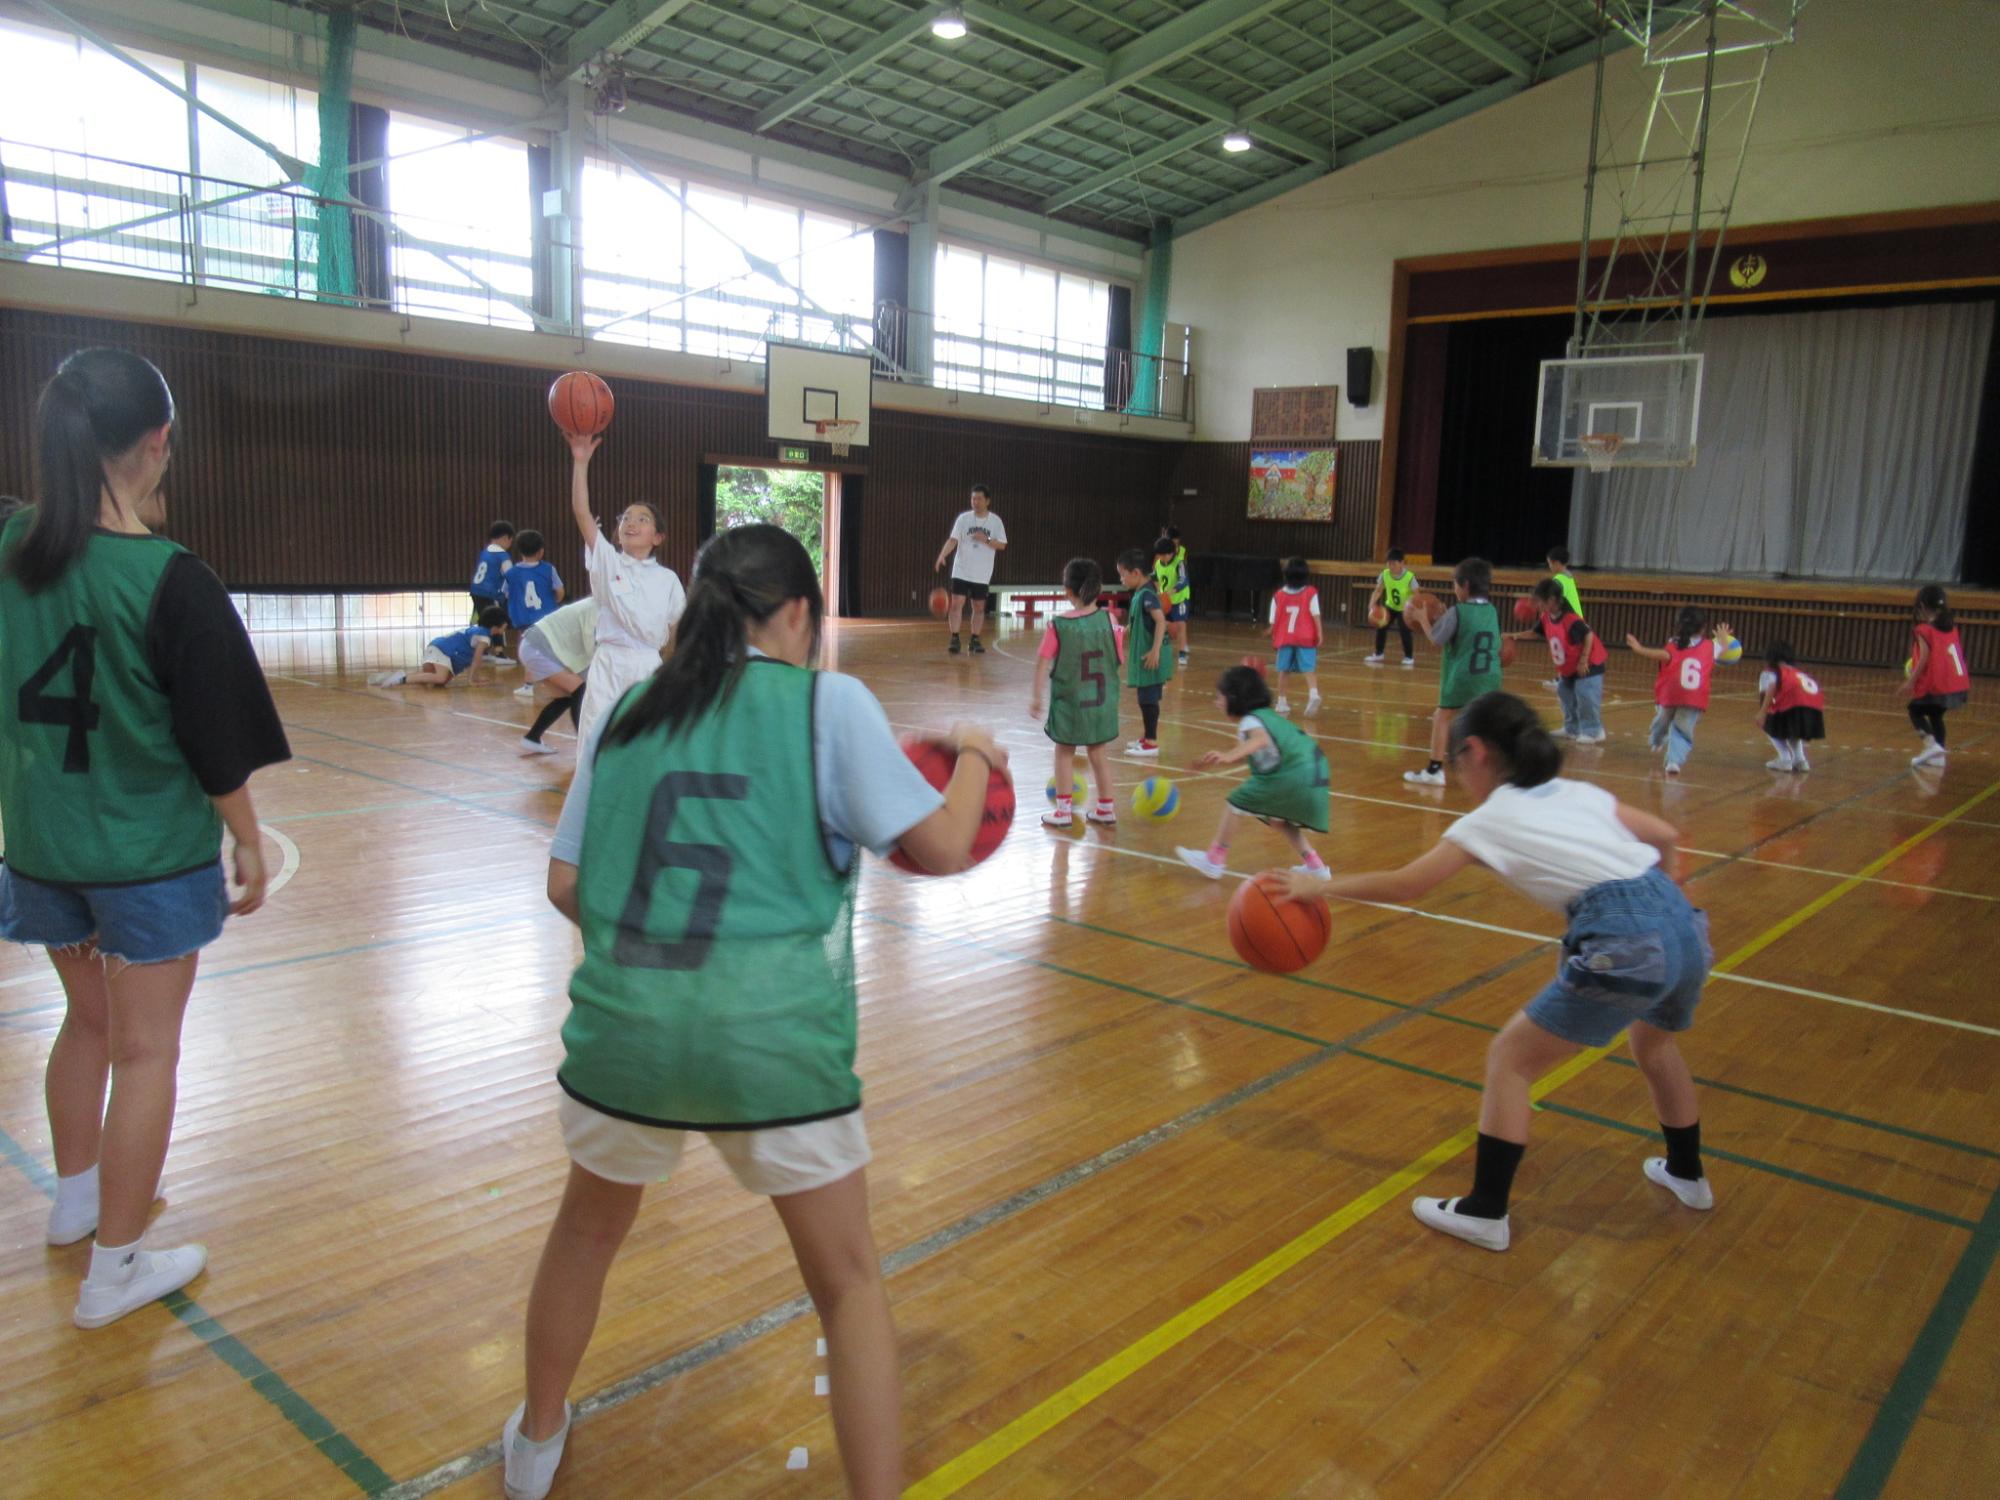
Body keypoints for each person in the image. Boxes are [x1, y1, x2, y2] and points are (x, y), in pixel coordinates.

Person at [501, 523, 1007, 1500]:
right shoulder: (829, 704)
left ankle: (534, 1441)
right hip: (772, 1041)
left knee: (585, 1235)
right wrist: (977, 752)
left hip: (626, 1032)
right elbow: (945, 846)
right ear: (798, 615)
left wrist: (655, 954)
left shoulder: (630, 708)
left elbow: (565, 885)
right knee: (847, 1284)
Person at [0, 348, 290, 1327]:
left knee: (86, 1023)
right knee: (146, 1053)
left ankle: (77, 1199)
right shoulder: (172, 580)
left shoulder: (10, 548)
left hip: (42, 850)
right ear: (159, 442)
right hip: (145, 862)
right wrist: (246, 838)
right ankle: (114, 1270)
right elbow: (217, 745)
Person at [1281, 691, 1713, 1252]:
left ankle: (1485, 1211)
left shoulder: (1488, 819)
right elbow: (1665, 836)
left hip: (1626, 937)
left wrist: (1319, 887)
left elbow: (1408, 884)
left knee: (1510, 1059)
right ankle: (1687, 1175)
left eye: (1456, 761)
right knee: (1655, 1046)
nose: (1459, 774)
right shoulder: (1577, 792)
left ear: (1477, 752)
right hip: (1685, 927)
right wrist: (1664, 905)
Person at [565, 431, 686, 747]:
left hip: (647, 665)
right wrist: (581, 462)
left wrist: (671, 670)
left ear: (657, 537)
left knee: (645, 744)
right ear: (617, 532)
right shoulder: (608, 561)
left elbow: (677, 628)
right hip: (608, 663)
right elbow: (581, 512)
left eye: (642, 519)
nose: (631, 523)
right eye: (626, 518)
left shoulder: (668, 579)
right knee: (595, 741)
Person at [1176, 664, 1330, 879]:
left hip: (1293, 773)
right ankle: (1316, 867)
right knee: (1279, 820)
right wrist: (1217, 761)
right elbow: (1257, 751)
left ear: (1234, 697)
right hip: (1315, 773)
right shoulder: (1268, 717)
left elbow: (1260, 740)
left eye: (1219, 697)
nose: (1216, 702)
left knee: (1236, 803)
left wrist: (1228, 755)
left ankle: (1214, 860)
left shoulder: (1251, 720)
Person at [1029, 556, 1119, 829]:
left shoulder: (1059, 625)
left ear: (1067, 591)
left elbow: (1042, 662)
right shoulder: (1110, 620)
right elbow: (1119, 659)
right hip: (1101, 702)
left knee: (1063, 753)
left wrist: (1036, 697)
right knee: (1098, 754)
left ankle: (1064, 811)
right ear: (1098, 588)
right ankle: (1106, 808)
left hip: (1071, 701)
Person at [1404, 558, 1502, 787]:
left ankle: (1434, 770)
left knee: (1442, 716)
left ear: (1465, 585)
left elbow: (1436, 639)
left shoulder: (1458, 611)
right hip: (1490, 676)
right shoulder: (1491, 611)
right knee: (1484, 723)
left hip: (1463, 677)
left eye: (1455, 584)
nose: (1454, 589)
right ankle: (1499, 770)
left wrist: (1422, 619)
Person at [1626, 608, 1732, 777]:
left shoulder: (1672, 643)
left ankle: (1656, 740)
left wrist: (1640, 649)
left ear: (1679, 625)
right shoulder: (1710, 646)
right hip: (1694, 697)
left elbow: (1662, 655)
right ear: (1703, 628)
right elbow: (1725, 649)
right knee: (1682, 729)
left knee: (1662, 720)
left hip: (1670, 693)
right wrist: (1723, 636)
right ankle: (1673, 761)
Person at [1518, 578, 1606, 744]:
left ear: (1551, 600)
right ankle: (1572, 728)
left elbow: (1588, 635)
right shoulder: (1546, 617)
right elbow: (1534, 633)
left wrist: (1583, 661)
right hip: (1570, 666)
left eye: (1539, 601)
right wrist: (1513, 636)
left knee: (1586, 696)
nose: (1537, 605)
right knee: (1564, 692)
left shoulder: (1570, 619)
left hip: (1589, 664)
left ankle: (1594, 731)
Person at [933, 483, 1007, 655]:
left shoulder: (995, 521)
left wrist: (986, 539)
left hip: (982, 573)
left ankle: (975, 639)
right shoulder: (963, 519)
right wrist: (942, 555)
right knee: (956, 603)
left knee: (979, 607)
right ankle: (955, 637)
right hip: (961, 569)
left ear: (987, 501)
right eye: (973, 499)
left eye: (979, 499)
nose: (975, 502)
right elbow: (953, 540)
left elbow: (1002, 545)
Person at [518, 597, 598, 755]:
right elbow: (590, 646)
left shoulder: (595, 605)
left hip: (534, 647)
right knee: (580, 691)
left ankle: (532, 738)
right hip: (538, 648)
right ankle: (586, 749)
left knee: (565, 698)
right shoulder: (597, 608)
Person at [1905, 584, 1970, 769]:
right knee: (1936, 715)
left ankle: (1931, 745)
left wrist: (1911, 681)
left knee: (1914, 710)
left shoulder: (1924, 630)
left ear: (1922, 606)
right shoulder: (1950, 627)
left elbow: (1924, 658)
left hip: (1939, 685)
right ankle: (1939, 755)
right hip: (1957, 683)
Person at [1115, 547, 1171, 756]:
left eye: (1123, 575)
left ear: (1136, 573)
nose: (1121, 579)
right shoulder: (1140, 594)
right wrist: (1123, 631)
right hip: (1146, 656)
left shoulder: (1147, 595)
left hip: (1151, 657)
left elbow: (1161, 621)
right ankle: (1147, 736)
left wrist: (1155, 650)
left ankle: (1151, 743)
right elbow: (1139, 621)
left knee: (1148, 699)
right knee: (1145, 698)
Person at [369, 607, 505, 688]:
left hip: (437, 649)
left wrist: (475, 677)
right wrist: (471, 679)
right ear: (496, 625)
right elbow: (476, 659)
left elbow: (472, 659)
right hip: (442, 651)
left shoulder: (477, 631)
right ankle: (399, 680)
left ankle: (391, 677)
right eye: (504, 624)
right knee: (440, 678)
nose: (506, 626)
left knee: (437, 681)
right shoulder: (484, 637)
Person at [1756, 641, 1825, 773]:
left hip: (1795, 705)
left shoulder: (1770, 672)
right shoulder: (1796, 672)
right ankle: (1800, 760)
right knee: (1793, 729)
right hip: (1814, 710)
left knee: (1768, 722)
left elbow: (1769, 690)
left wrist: (1762, 712)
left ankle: (1785, 759)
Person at [1268, 556, 1322, 715]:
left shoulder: (1278, 595)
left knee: (1284, 670)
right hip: (1305, 636)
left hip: (1285, 637)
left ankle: (1281, 702)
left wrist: (1272, 633)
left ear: (1286, 575)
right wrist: (1319, 632)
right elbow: (1316, 614)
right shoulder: (1310, 592)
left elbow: (1273, 620)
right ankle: (1313, 693)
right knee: (1309, 668)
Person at [503, 528, 565, 638]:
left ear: (520, 551)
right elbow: (560, 591)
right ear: (541, 551)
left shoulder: (511, 573)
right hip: (546, 617)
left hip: (522, 618)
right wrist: (554, 600)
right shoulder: (548, 569)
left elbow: (507, 594)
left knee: (526, 642)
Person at [1365, 548, 1417, 667]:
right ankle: (1379, 653)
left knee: (1405, 631)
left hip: (1405, 609)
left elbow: (1417, 595)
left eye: (1393, 563)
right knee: (1381, 626)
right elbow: (1378, 590)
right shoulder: (1385, 574)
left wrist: (1413, 609)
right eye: (1388, 563)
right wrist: (1371, 604)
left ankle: (1409, 657)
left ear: (1402, 563)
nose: (1390, 566)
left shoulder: (1410, 577)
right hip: (1391, 606)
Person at [1542, 548, 1582, 691]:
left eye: (1550, 563)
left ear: (1556, 563)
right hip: (1577, 619)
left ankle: (1564, 679)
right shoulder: (1568, 577)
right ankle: (1564, 678)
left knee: (1563, 651)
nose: (1549, 567)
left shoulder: (1558, 580)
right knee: (1568, 652)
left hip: (1569, 621)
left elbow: (1553, 600)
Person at [1154, 529, 1192, 668]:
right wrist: (1156, 593)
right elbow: (1155, 578)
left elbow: (1183, 580)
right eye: (1159, 555)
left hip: (1179, 599)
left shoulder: (1179, 563)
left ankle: (1182, 653)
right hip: (1165, 601)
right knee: (1161, 624)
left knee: (1181, 624)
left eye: (1162, 555)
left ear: (1170, 553)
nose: (1160, 557)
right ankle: (1161, 650)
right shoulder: (1158, 564)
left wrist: (1171, 592)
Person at [471, 518, 515, 625]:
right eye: (511, 541)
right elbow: (511, 578)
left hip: (475, 592)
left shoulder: (485, 553)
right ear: (505, 538)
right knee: (496, 625)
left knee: (482, 622)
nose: (510, 545)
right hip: (490, 594)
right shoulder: (503, 556)